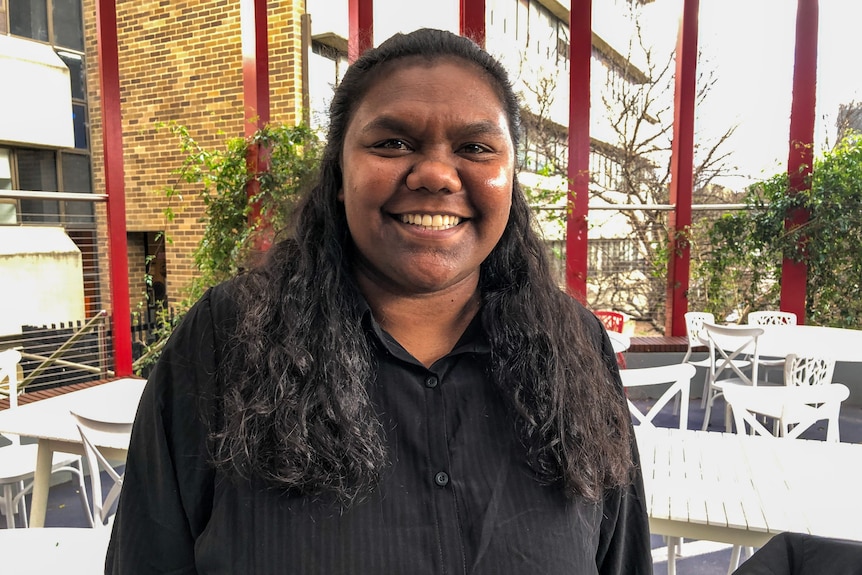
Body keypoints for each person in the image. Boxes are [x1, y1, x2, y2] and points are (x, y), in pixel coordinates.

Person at [106, 28, 652, 574]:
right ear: (340, 174)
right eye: (392, 143)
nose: (437, 174)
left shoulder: (576, 347)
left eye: (476, 148)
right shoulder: (226, 341)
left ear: (509, 178)